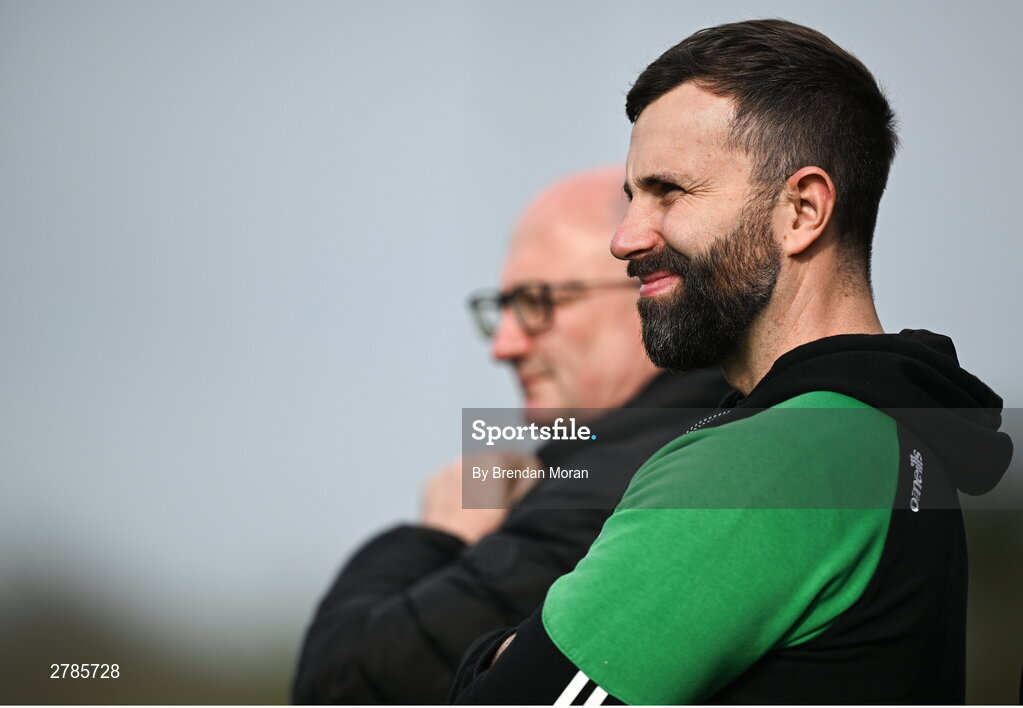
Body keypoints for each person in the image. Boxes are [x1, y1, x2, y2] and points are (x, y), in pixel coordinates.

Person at [452, 19, 1013, 705]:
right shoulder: (889, 438)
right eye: (632, 197)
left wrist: (497, 654)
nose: (625, 239)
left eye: (670, 192)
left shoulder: (778, 458)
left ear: (802, 210)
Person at [291, 168, 731, 704]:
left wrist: (440, 535)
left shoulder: (614, 490)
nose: (504, 344)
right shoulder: (708, 439)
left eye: (536, 302)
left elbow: (344, 687)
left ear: (649, 287)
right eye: (501, 309)